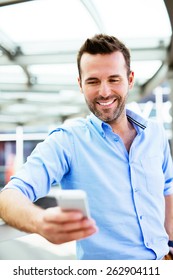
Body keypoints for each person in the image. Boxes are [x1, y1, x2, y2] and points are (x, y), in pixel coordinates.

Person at [0, 34, 173, 260]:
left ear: (130, 80)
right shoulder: (67, 140)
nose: (104, 92)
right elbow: (8, 197)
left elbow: (167, 189)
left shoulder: (155, 133)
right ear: (80, 84)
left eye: (114, 79)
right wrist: (40, 222)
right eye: (93, 81)